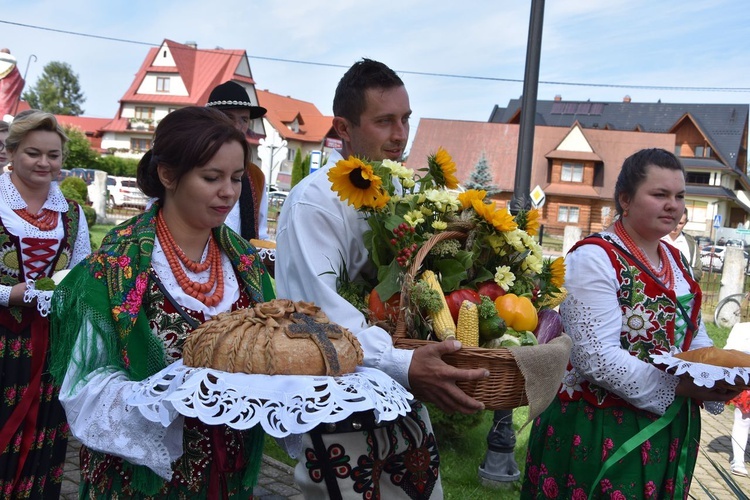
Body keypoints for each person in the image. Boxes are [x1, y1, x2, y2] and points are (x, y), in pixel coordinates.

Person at [275, 58, 488, 499]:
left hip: (403, 397)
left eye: (406, 118)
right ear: (344, 127)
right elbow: (312, 316)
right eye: (384, 120)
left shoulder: (404, 193)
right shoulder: (315, 201)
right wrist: (404, 362)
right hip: (339, 404)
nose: (399, 135)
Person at [49, 106, 274, 498]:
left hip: (227, 475)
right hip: (143, 479)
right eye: (211, 177)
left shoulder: (243, 262)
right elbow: (84, 386)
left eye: (237, 178)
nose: (228, 192)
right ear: (168, 175)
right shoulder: (119, 264)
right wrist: (170, 393)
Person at [521, 148, 741, 499]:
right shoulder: (594, 257)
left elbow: (693, 333)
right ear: (625, 198)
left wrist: (717, 378)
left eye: (680, 196)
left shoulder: (675, 259)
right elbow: (596, 358)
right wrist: (682, 388)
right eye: (660, 194)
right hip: (602, 427)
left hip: (667, 427)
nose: (673, 205)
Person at [0, 111, 91, 497]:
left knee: (44, 437)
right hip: (3, 340)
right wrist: (9, 294)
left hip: (54, 345)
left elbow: (84, 270)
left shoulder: (71, 212)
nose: (44, 163)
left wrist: (72, 293)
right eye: (33, 153)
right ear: (12, 152)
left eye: (53, 155)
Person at [206, 81, 270, 241]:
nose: (237, 126)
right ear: (208, 119)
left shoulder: (256, 176)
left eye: (244, 120)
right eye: (228, 118)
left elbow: (259, 234)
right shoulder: (187, 165)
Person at [662, 208, 702, 280]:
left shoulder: (691, 243)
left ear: (686, 223)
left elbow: (697, 272)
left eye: (680, 223)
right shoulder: (656, 238)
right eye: (673, 221)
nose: (675, 226)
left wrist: (680, 274)